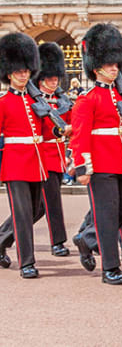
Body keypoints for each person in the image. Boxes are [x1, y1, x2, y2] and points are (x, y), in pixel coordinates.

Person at [71, 24, 122, 285]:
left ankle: (88, 239)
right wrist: (83, 167)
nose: (115, 68)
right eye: (109, 65)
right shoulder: (88, 99)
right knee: (106, 216)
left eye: (116, 64)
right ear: (96, 68)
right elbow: (80, 136)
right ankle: (110, 268)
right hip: (102, 164)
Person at [0, 33, 48, 278]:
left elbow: (48, 131)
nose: (23, 75)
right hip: (16, 163)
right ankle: (27, 262)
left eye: (26, 71)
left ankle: (1, 240)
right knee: (22, 214)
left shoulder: (35, 100)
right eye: (18, 72)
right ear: (9, 74)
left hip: (37, 162)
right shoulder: (4, 102)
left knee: (36, 210)